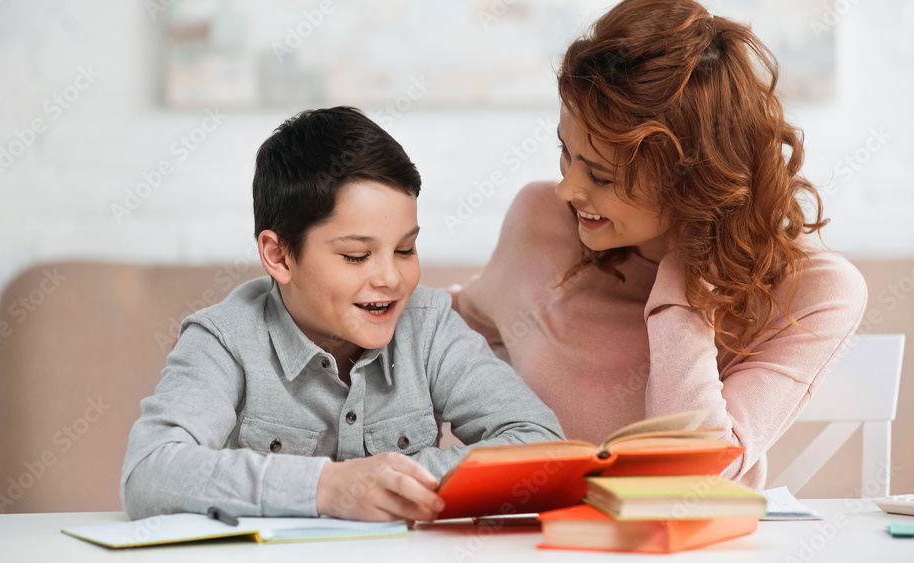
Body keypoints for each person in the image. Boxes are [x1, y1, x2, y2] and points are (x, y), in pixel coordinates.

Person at [450, 0, 867, 489]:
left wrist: (688, 275)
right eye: (566, 152)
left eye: (601, 176)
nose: (568, 190)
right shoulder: (541, 220)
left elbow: (694, 471)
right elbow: (454, 328)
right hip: (507, 533)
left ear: (694, 180)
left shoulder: (815, 292)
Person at [121, 107, 563, 522]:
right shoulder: (225, 338)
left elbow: (541, 445)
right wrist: (327, 487)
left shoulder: (428, 324)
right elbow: (149, 470)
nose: (391, 277)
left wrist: (391, 483)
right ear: (279, 256)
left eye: (406, 249)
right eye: (356, 255)